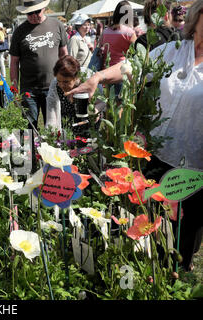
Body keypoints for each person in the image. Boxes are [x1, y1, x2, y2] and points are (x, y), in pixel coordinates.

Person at [65, 0, 203, 272]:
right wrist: (98, 78)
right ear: (197, 19)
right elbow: (132, 67)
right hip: (156, 156)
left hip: (194, 168)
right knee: (150, 228)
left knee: (181, 239)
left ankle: (173, 280)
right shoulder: (174, 50)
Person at [9, 0, 68, 129]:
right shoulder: (19, 32)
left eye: (37, 12)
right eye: (29, 13)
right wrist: (14, 88)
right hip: (28, 89)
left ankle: (53, 149)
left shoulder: (57, 25)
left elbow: (64, 55)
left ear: (44, 9)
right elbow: (14, 62)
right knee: (30, 127)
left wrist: (66, 80)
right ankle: (31, 149)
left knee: (54, 127)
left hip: (53, 86)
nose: (33, 15)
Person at [46, 55, 91, 137]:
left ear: (76, 77)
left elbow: (101, 102)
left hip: (89, 124)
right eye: (59, 81)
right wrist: (51, 133)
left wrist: (95, 111)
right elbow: (51, 111)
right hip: (68, 124)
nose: (61, 85)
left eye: (66, 82)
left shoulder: (88, 80)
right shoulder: (55, 85)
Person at [99, 1, 137, 68]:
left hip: (105, 69)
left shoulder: (105, 31)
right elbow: (136, 53)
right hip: (120, 70)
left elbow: (101, 48)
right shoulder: (129, 33)